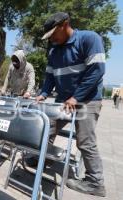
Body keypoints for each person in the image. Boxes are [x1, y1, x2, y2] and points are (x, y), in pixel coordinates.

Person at [37, 12, 106, 197]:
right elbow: (50, 76)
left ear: (64, 24)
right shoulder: (53, 50)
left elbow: (97, 70)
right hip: (63, 101)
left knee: (85, 141)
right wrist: (43, 93)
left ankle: (95, 182)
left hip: (88, 100)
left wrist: (77, 97)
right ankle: (44, 159)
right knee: (46, 128)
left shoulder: (89, 39)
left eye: (53, 34)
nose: (51, 39)